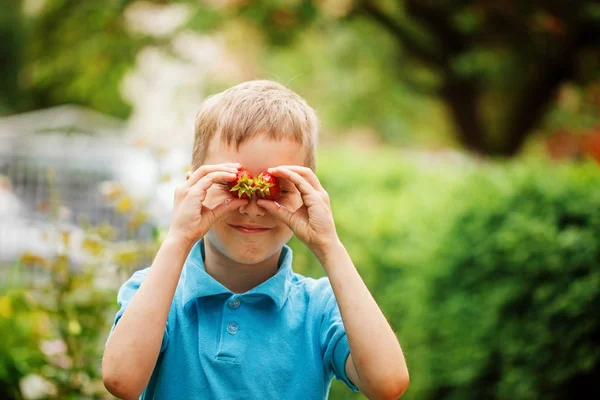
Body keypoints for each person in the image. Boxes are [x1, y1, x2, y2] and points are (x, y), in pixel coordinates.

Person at [102, 80, 409, 399]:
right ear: (194, 185)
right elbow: (122, 380)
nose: (251, 208)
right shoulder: (155, 294)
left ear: (305, 195)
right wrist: (178, 238)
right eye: (232, 186)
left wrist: (329, 246)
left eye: (277, 189)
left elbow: (387, 384)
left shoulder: (319, 308)